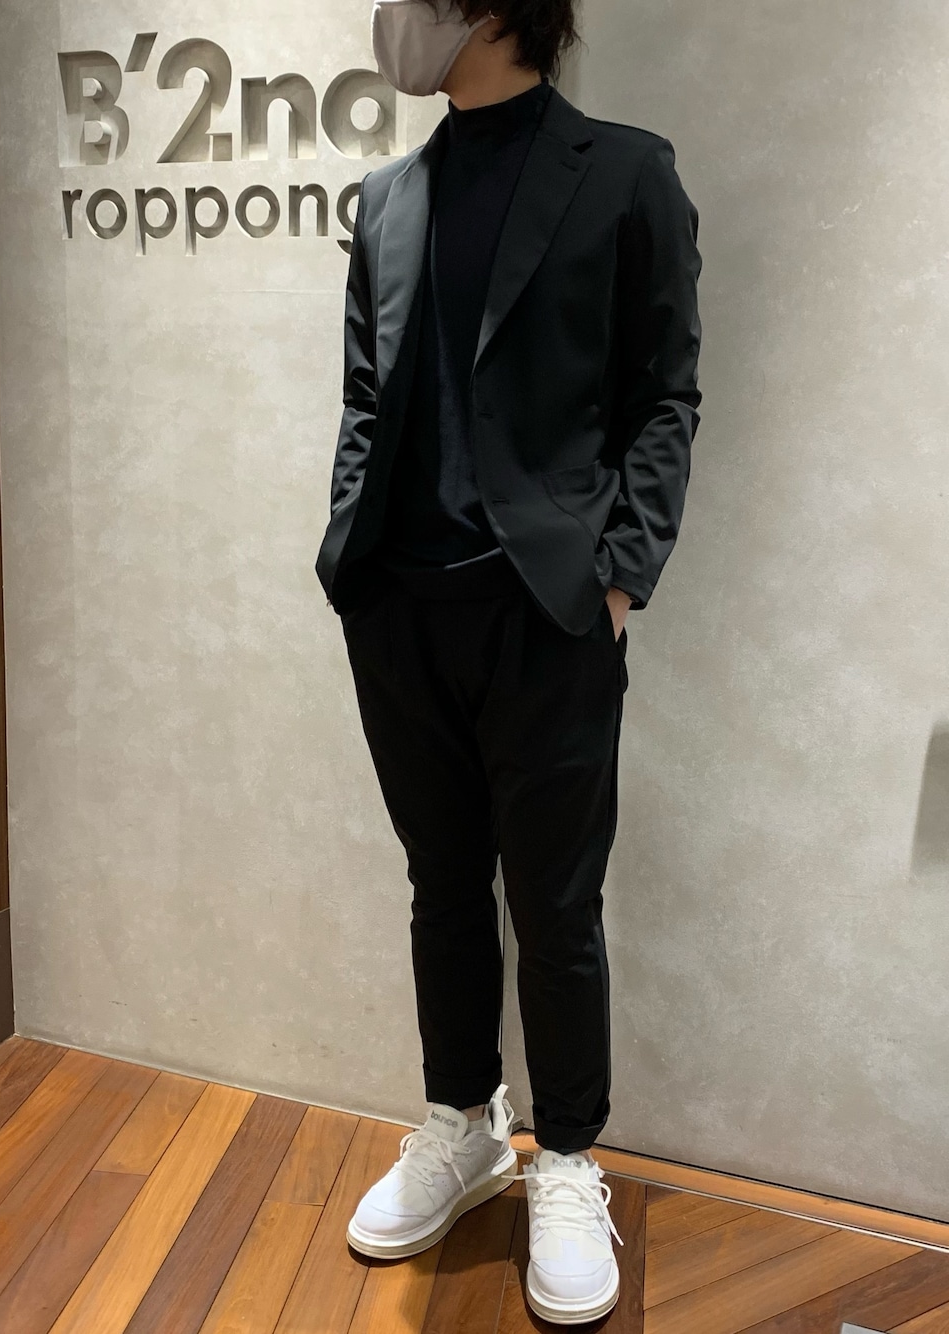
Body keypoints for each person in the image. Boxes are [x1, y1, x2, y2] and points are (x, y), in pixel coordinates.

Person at [314, 0, 702, 1322]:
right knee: (441, 884)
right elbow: (367, 397)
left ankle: (570, 1156)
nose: (389, 18)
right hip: (399, 610)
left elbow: (664, 395)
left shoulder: (626, 174)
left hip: (548, 616)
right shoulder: (387, 197)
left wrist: (620, 573)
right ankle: (462, 1121)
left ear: (488, 8)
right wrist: (349, 553)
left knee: (555, 904)